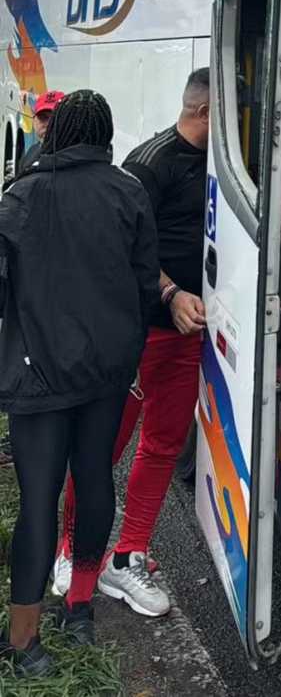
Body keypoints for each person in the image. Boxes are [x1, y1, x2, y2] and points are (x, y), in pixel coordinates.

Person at [0, 91, 159, 678]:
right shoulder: (129, 193)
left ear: (57, 132)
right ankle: (80, 608)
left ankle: (24, 643)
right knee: (94, 482)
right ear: (105, 136)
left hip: (37, 374)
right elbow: (145, 286)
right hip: (107, 373)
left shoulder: (19, 196)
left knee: (38, 501)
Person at [54, 68, 210, 618]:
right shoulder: (149, 165)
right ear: (205, 112)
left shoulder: (226, 166)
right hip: (139, 335)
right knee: (102, 450)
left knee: (163, 446)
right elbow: (124, 250)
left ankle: (127, 557)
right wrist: (172, 294)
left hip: (190, 337)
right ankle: (71, 550)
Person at [12, 90, 66, 178]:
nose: (48, 124)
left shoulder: (72, 157)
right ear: (34, 121)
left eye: (55, 118)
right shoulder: (31, 152)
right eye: (42, 118)